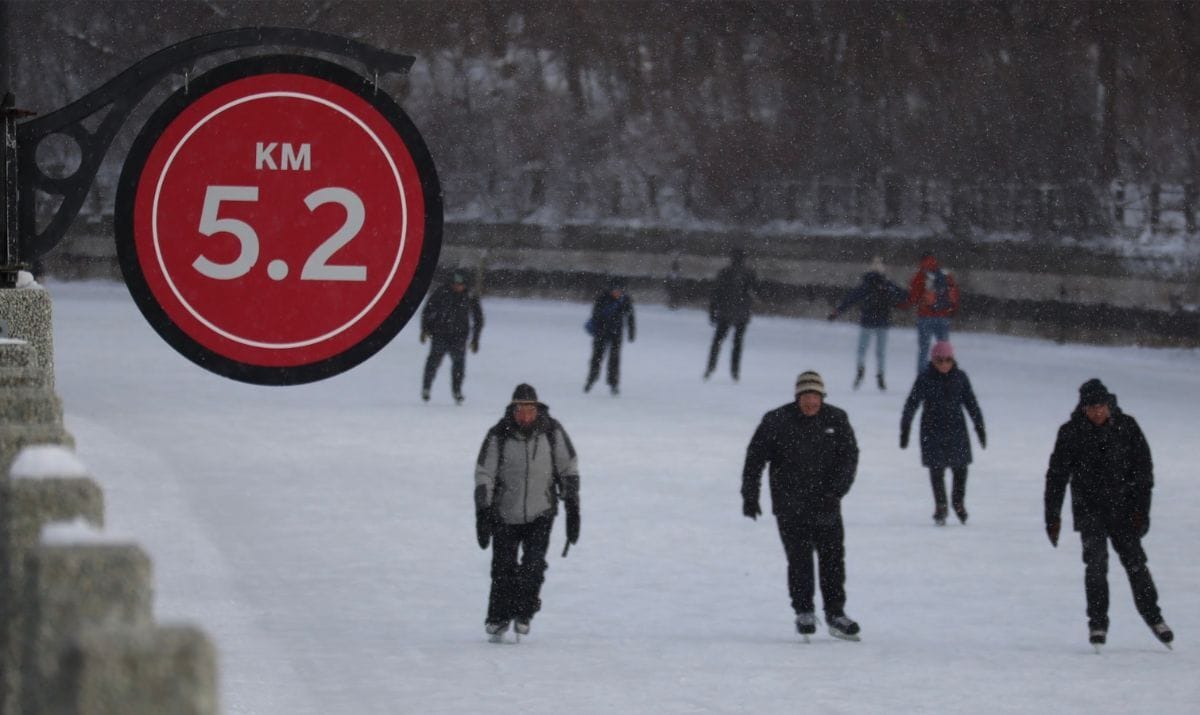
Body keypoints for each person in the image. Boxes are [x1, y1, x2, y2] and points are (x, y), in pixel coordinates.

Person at [1044, 379, 1173, 651]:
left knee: (1136, 564)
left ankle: (1153, 616)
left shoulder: (1127, 427)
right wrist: (1052, 516)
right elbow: (1056, 477)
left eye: (1101, 406)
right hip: (1089, 510)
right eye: (1091, 407)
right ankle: (1098, 623)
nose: (1097, 412)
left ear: (1109, 404)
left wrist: (1141, 510)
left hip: (1124, 510)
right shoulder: (1070, 432)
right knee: (1096, 566)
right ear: (1083, 407)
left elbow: (1143, 472)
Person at [742, 371, 862, 642]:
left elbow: (850, 457)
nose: (811, 402)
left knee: (833, 560)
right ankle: (804, 611)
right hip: (790, 504)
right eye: (806, 396)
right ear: (798, 397)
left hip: (826, 503)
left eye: (816, 396)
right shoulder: (776, 420)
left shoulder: (837, 419)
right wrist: (750, 495)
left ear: (822, 397)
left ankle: (835, 613)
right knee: (799, 560)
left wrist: (836, 491)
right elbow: (755, 458)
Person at [474, 384, 580, 641]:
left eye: (530, 409)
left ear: (537, 409)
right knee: (503, 568)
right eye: (521, 409)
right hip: (504, 513)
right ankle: (498, 618)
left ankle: (524, 612)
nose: (525, 415)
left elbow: (568, 467)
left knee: (534, 565)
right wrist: (483, 511)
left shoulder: (552, 432)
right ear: (513, 409)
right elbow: (484, 473)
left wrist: (572, 505)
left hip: (541, 512)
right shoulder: (498, 435)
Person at [899, 341, 986, 526]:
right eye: (940, 360)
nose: (944, 364)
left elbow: (971, 403)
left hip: (956, 429)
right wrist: (905, 427)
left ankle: (958, 502)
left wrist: (979, 426)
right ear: (933, 360)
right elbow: (912, 402)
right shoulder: (925, 378)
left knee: (960, 468)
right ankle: (940, 505)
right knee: (936, 470)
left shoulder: (960, 378)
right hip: (932, 430)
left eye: (948, 360)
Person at [827, 256, 906, 390]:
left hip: (867, 320)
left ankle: (860, 368)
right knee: (880, 352)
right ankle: (880, 375)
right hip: (883, 321)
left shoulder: (866, 285)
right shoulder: (887, 284)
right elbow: (903, 296)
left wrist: (836, 312)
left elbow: (850, 299)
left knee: (862, 350)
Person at [420, 271, 483, 404]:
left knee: (459, 365)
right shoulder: (441, 292)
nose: (457, 287)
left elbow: (478, 318)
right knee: (433, 362)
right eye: (455, 284)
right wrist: (425, 329)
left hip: (459, 336)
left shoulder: (469, 296)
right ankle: (426, 388)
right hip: (440, 333)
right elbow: (428, 311)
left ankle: (457, 391)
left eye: (460, 285)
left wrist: (475, 339)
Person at [901, 253, 959, 373]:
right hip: (943, 316)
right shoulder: (945, 274)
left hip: (925, 317)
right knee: (944, 349)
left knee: (924, 349)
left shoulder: (921, 275)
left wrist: (904, 304)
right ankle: (946, 375)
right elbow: (954, 295)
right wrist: (952, 310)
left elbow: (914, 296)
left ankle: (922, 378)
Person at [705, 248, 757, 381]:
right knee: (736, 343)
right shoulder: (748, 273)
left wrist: (713, 310)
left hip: (726, 312)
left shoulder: (726, 273)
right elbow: (752, 293)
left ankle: (711, 367)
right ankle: (734, 371)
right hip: (739, 312)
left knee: (719, 341)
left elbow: (716, 293)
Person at [584, 277, 635, 395]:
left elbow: (631, 316)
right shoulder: (603, 298)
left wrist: (631, 332)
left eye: (620, 290)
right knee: (597, 357)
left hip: (616, 334)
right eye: (615, 290)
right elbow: (595, 313)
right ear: (610, 290)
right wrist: (602, 324)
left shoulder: (625, 300)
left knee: (614, 359)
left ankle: (613, 384)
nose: (617, 292)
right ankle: (591, 380)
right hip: (601, 333)